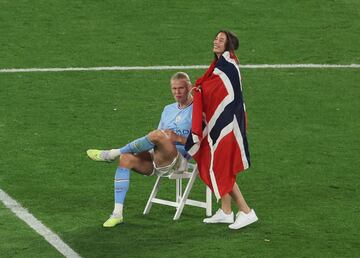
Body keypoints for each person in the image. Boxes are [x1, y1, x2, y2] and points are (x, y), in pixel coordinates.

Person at [87, 72, 193, 227]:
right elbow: (158, 138)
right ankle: (117, 214)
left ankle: (112, 153)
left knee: (158, 135)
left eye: (181, 89)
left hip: (178, 160)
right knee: (126, 159)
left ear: (189, 87)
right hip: (157, 157)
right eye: (174, 89)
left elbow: (201, 141)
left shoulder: (198, 110)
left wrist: (178, 138)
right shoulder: (168, 109)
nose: (177, 93)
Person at [185, 30, 258, 230]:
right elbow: (213, 88)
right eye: (215, 38)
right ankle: (226, 212)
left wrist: (200, 90)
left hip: (228, 125)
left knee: (222, 167)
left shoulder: (229, 66)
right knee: (213, 162)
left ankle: (246, 211)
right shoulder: (218, 65)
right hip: (222, 123)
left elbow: (227, 94)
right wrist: (201, 88)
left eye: (221, 40)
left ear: (228, 45)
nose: (216, 41)